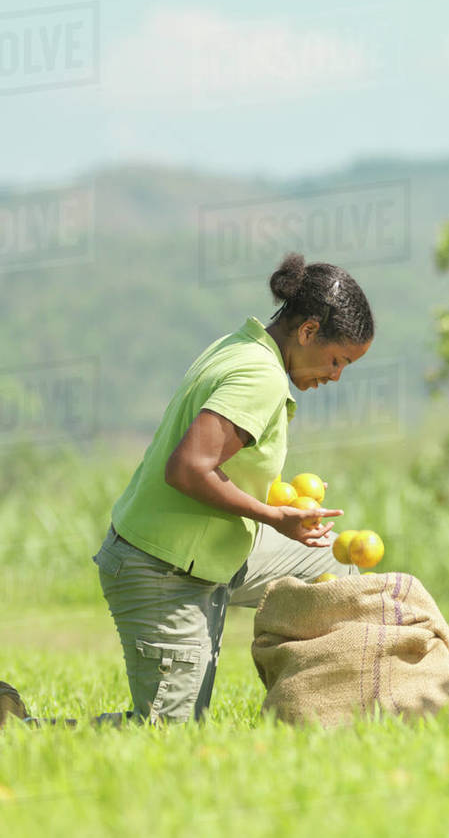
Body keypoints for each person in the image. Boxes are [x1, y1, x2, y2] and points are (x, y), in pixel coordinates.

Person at [1, 253, 374, 727]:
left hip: (212, 552)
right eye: (338, 360)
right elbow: (188, 469)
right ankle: (16, 729)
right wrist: (273, 516)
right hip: (161, 568)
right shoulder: (259, 377)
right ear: (307, 331)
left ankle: (325, 707)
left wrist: (275, 504)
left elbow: (223, 459)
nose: (337, 375)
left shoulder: (243, 345)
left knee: (334, 563)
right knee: (167, 733)